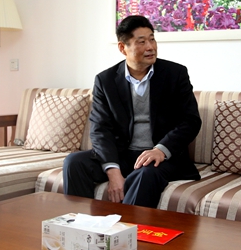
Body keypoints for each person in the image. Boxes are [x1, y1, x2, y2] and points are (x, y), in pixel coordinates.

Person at [63, 15, 201, 207]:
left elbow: (190, 121)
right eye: (141, 42)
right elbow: (100, 129)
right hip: (123, 155)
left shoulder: (175, 74)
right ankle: (81, 221)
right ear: (122, 48)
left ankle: (125, 225)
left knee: (144, 174)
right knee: (75, 162)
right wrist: (113, 171)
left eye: (152, 39)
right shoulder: (106, 80)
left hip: (160, 158)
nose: (150, 47)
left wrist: (160, 150)